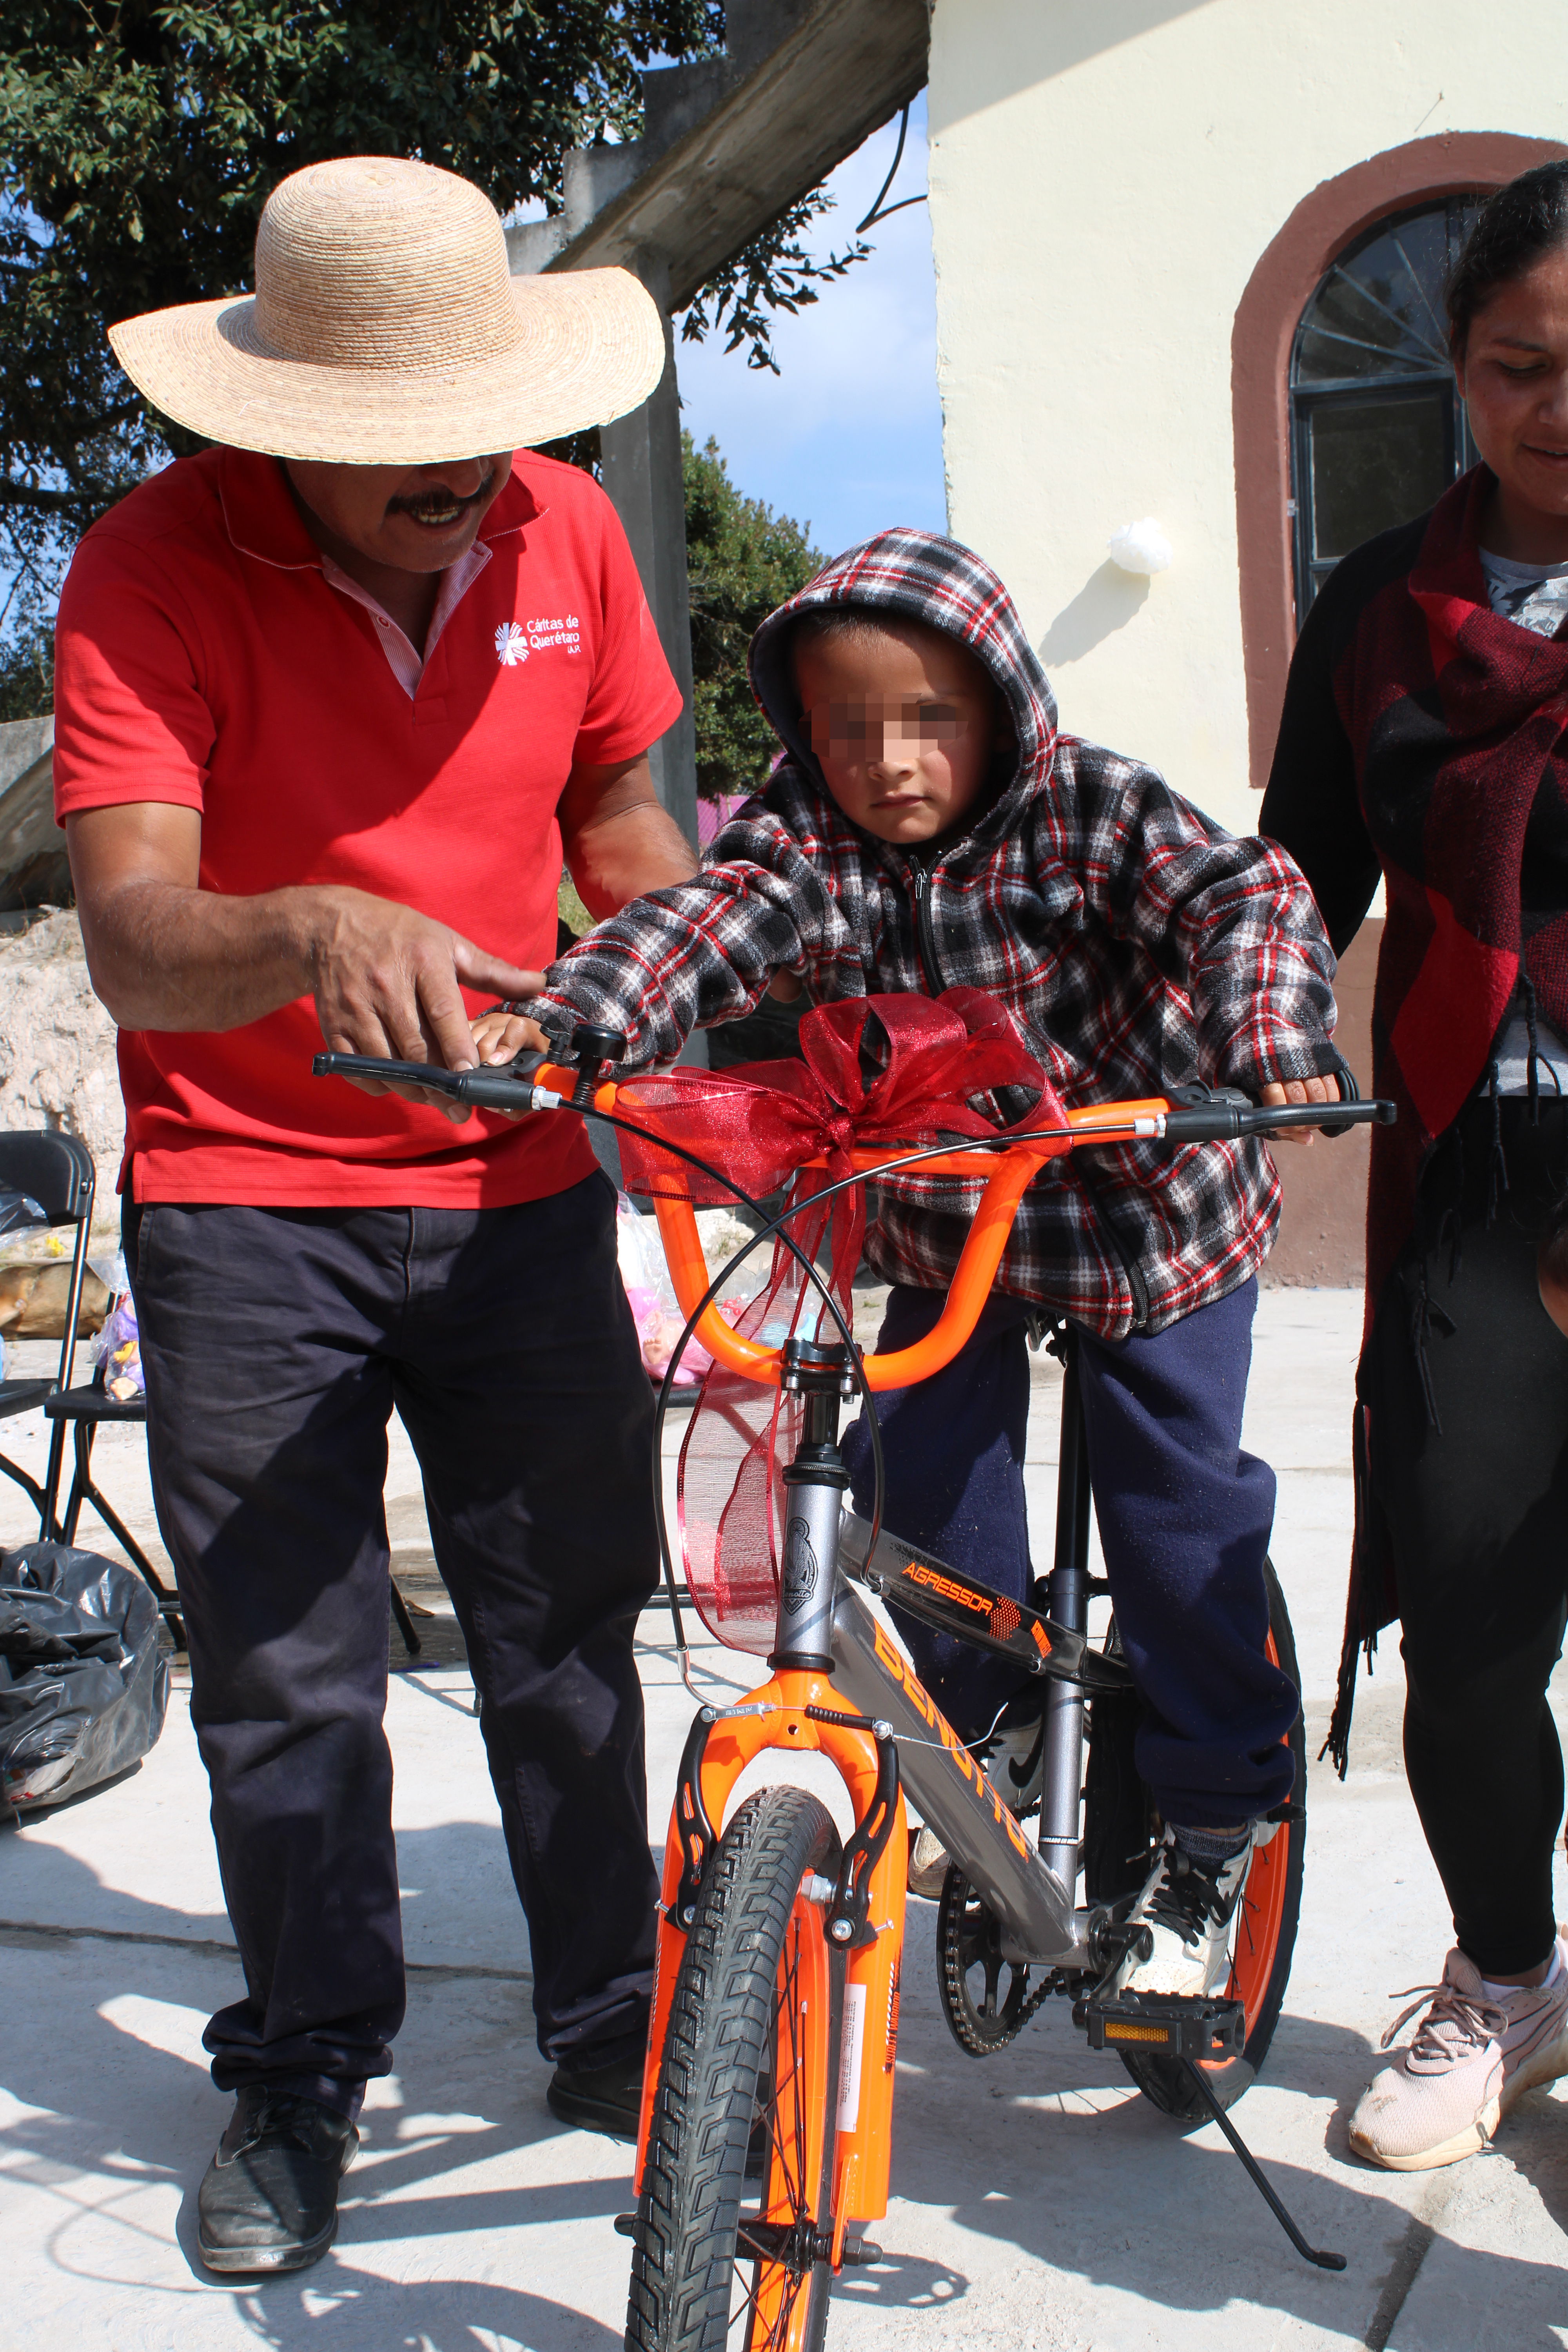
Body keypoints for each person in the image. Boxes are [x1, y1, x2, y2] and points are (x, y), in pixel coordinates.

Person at [52, 153, 697, 2275]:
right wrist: (312, 927)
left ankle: (616, 2027)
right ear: (284, 432)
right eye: (397, 443)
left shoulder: (571, 527)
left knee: (568, 1638)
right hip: (253, 1206)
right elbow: (136, 943)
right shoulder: (148, 573)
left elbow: (624, 818)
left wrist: (710, 1002)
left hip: (523, 1190)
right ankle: (309, 2065)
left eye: (477, 426)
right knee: (289, 1677)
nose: (456, 473)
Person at [491, 526, 1343, 2000]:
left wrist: (1270, 1046)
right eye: (845, 725)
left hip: (1148, 1207)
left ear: (1004, 703)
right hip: (962, 1226)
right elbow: (709, 919)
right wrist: (582, 1020)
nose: (888, 760)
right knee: (919, 1495)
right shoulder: (802, 841)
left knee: (1174, 1514)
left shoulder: (1088, 807)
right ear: (800, 731)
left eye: (930, 718)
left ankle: (1213, 1821)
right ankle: (985, 1737)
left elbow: (1239, 898)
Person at [1261, 160, 1568, 2174]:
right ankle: (1507, 1975)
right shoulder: (1383, 606)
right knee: (1466, 1622)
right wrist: (1260, 1021)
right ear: (1458, 372)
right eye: (1516, 362)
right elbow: (1293, 874)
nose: (1557, 399)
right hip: (1478, 1174)